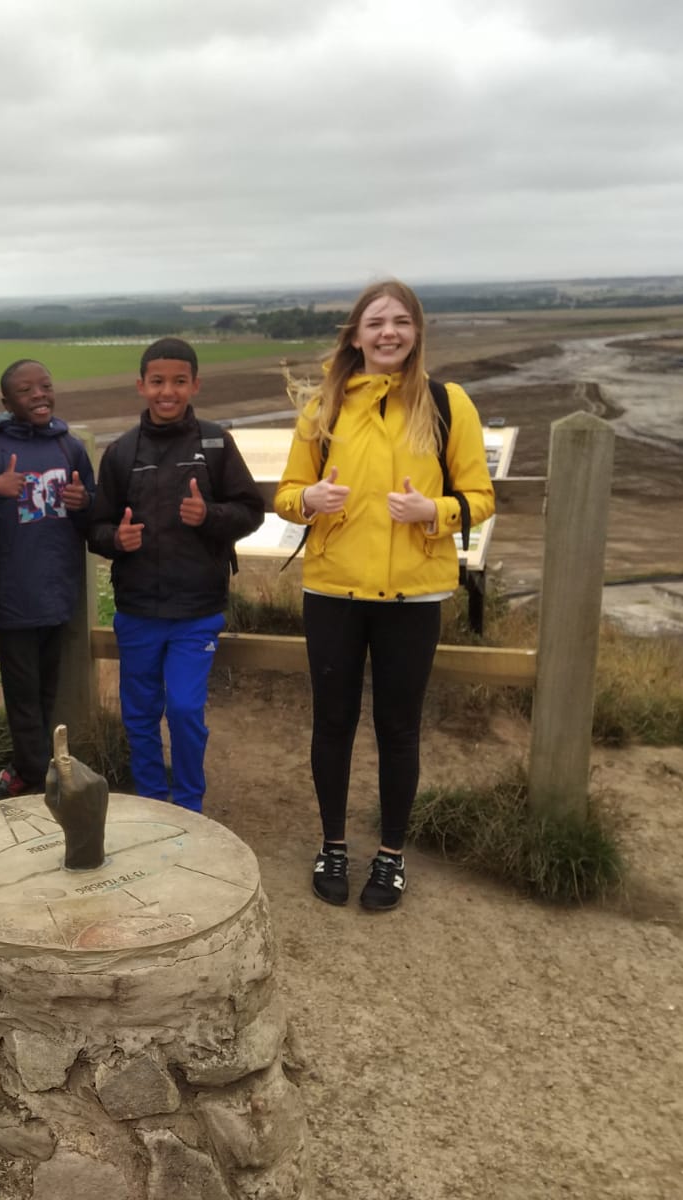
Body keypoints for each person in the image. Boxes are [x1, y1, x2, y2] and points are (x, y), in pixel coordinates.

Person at [274, 280, 494, 910]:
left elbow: (480, 498)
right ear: (355, 335)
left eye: (400, 321)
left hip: (413, 596)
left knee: (399, 728)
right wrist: (309, 499)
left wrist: (435, 511)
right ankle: (333, 847)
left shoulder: (447, 404)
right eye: (375, 322)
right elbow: (287, 495)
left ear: (416, 332)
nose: (388, 332)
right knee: (332, 722)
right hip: (333, 590)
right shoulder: (322, 407)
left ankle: (391, 857)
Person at [87, 337, 264, 811]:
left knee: (184, 709)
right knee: (140, 714)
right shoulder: (121, 451)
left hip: (197, 610)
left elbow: (251, 511)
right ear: (141, 386)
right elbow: (96, 528)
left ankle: (187, 805)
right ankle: (151, 801)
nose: (168, 391)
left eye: (179, 381)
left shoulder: (216, 442)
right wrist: (116, 540)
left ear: (195, 385)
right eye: (158, 382)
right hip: (138, 609)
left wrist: (209, 516)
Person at [0, 358, 95, 801]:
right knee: (22, 692)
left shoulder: (70, 449)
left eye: (45, 386)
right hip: (13, 592)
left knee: (48, 688)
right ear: (6, 402)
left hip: (59, 590)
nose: (39, 395)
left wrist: (84, 503)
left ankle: (34, 769)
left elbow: (93, 519)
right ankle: (36, 776)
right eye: (26, 390)